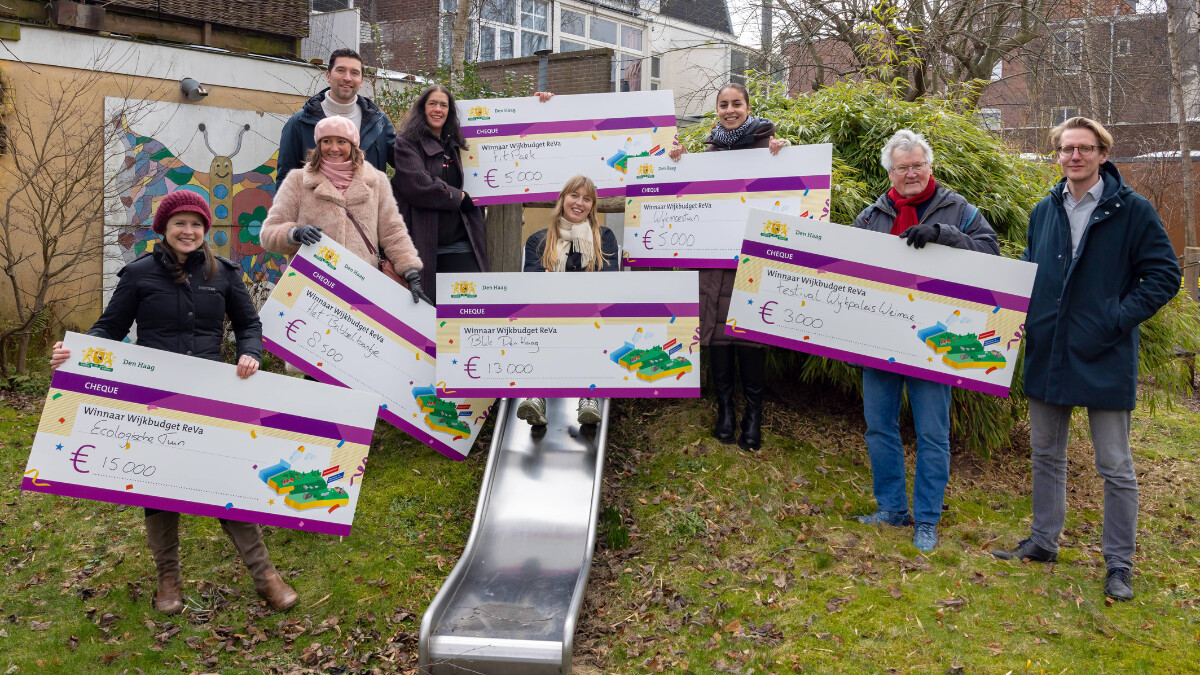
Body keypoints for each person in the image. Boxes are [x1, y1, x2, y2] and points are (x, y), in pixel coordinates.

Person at [48, 191, 298, 614]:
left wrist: (249, 351)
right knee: (158, 486)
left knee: (225, 481)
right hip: (154, 399)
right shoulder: (139, 274)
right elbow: (110, 327)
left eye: (196, 224)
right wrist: (76, 354)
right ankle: (168, 580)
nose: (189, 231)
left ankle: (266, 576)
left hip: (212, 397)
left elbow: (248, 322)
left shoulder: (224, 273)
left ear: (205, 229)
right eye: (180, 223)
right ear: (164, 229)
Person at [992, 118, 1180, 600]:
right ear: (1057, 155)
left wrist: (1116, 318)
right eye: (1066, 148)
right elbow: (1032, 274)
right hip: (1050, 350)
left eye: (1085, 148)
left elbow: (1164, 275)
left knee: (1114, 465)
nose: (1074, 156)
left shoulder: (1133, 210)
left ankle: (1118, 564)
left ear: (1102, 153)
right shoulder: (1044, 210)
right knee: (1046, 455)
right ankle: (1043, 541)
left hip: (1105, 352)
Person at [850, 129, 999, 552]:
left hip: (939, 341)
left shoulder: (958, 209)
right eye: (903, 167)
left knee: (933, 433)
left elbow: (992, 254)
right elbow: (843, 269)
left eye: (918, 165)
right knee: (879, 428)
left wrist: (944, 235)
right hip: (880, 338)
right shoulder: (870, 216)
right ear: (891, 173)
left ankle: (927, 519)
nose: (911, 173)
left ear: (929, 166)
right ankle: (893, 510)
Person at [667, 82, 787, 452]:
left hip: (752, 260)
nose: (730, 110)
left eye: (736, 104)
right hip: (713, 260)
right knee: (716, 334)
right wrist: (675, 163)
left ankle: (753, 414)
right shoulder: (709, 151)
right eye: (723, 105)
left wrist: (782, 155)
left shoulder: (769, 146)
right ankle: (725, 410)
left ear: (748, 107)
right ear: (716, 109)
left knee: (749, 335)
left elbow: (790, 197)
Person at [392, 86, 553, 297]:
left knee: (468, 310)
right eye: (432, 103)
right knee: (425, 313)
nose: (438, 109)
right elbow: (418, 184)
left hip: (462, 243)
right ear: (422, 108)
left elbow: (508, 140)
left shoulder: (461, 142)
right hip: (422, 244)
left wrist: (533, 107)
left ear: (450, 111)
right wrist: (459, 197)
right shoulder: (406, 143)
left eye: (443, 105)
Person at [261, 116, 428, 303]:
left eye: (341, 141)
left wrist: (410, 271)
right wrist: (294, 234)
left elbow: (393, 231)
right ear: (318, 145)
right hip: (311, 288)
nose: (334, 148)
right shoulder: (297, 181)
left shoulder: (376, 182)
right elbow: (269, 233)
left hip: (361, 289)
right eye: (327, 141)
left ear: (353, 145)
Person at [516, 175, 618, 426]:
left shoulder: (604, 237)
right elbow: (532, 281)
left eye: (587, 199)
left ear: (592, 206)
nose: (579, 203)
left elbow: (609, 282)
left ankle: (589, 396)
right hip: (550, 313)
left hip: (590, 315)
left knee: (593, 329)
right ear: (562, 199)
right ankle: (537, 396)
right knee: (540, 328)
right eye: (574, 195)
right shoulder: (538, 240)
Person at [277, 48, 395, 187]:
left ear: (361, 81)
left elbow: (406, 163)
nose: (347, 78)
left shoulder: (378, 122)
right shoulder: (300, 122)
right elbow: (285, 181)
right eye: (340, 70)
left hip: (367, 207)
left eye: (354, 73)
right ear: (328, 76)